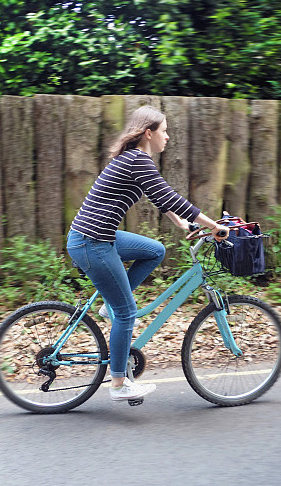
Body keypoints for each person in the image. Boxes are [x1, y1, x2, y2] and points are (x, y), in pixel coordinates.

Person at [66, 105, 231, 402]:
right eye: (164, 131)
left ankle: (109, 307)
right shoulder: (138, 159)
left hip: (95, 237)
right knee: (127, 312)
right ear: (148, 133)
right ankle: (118, 384)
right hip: (92, 242)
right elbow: (169, 195)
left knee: (155, 250)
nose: (167, 137)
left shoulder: (134, 159)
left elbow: (160, 197)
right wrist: (213, 225)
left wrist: (184, 223)